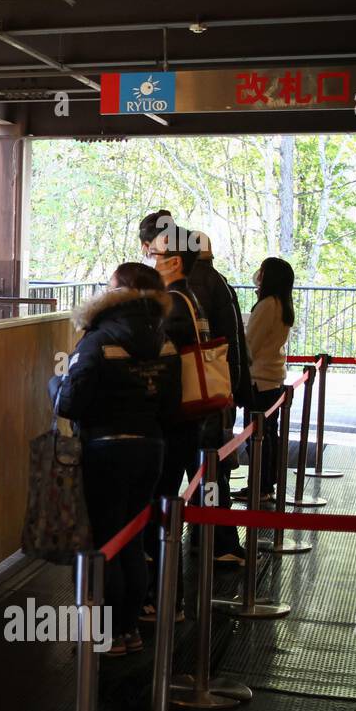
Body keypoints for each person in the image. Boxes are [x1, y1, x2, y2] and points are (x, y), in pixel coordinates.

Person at [52, 262, 180, 656]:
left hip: (105, 449)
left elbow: (71, 403)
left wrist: (54, 384)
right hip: (151, 449)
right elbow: (172, 407)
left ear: (119, 291)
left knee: (103, 542)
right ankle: (128, 629)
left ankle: (103, 635)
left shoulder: (98, 339)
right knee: (132, 539)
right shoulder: (166, 341)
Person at [138, 209, 209, 623]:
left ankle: (158, 600)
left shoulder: (172, 304)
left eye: (156, 253)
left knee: (158, 512)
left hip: (170, 423)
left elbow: (159, 362)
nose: (150, 257)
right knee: (167, 509)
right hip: (187, 420)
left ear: (174, 261)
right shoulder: (190, 299)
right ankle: (168, 598)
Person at [186, 230, 251, 565]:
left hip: (200, 394)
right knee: (214, 469)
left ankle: (217, 540)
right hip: (218, 388)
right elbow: (235, 340)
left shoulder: (190, 286)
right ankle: (212, 536)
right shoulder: (218, 281)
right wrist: (239, 385)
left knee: (209, 468)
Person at [242, 257, 295, 502]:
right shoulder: (282, 304)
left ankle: (259, 486)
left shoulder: (266, 305)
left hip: (259, 380)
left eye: (262, 270)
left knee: (257, 438)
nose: (258, 274)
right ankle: (265, 485)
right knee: (270, 436)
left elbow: (250, 343)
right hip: (273, 378)